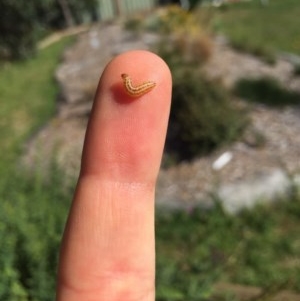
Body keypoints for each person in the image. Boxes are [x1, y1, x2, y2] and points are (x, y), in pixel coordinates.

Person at [55, 50, 172, 301]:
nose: (129, 84)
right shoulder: (128, 86)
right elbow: (130, 89)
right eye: (128, 81)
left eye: (128, 81)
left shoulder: (133, 86)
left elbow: (132, 89)